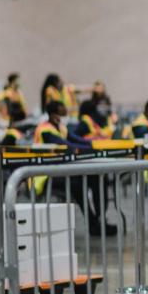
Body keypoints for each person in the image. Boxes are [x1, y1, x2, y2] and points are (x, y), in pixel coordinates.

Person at [33, 101, 116, 236]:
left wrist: (96, 145)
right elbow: (67, 145)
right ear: (54, 116)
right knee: (77, 185)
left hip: (62, 170)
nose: (66, 115)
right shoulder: (44, 130)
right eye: (63, 113)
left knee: (97, 177)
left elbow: (78, 140)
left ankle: (101, 220)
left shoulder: (60, 127)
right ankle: (93, 224)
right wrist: (90, 149)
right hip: (44, 176)